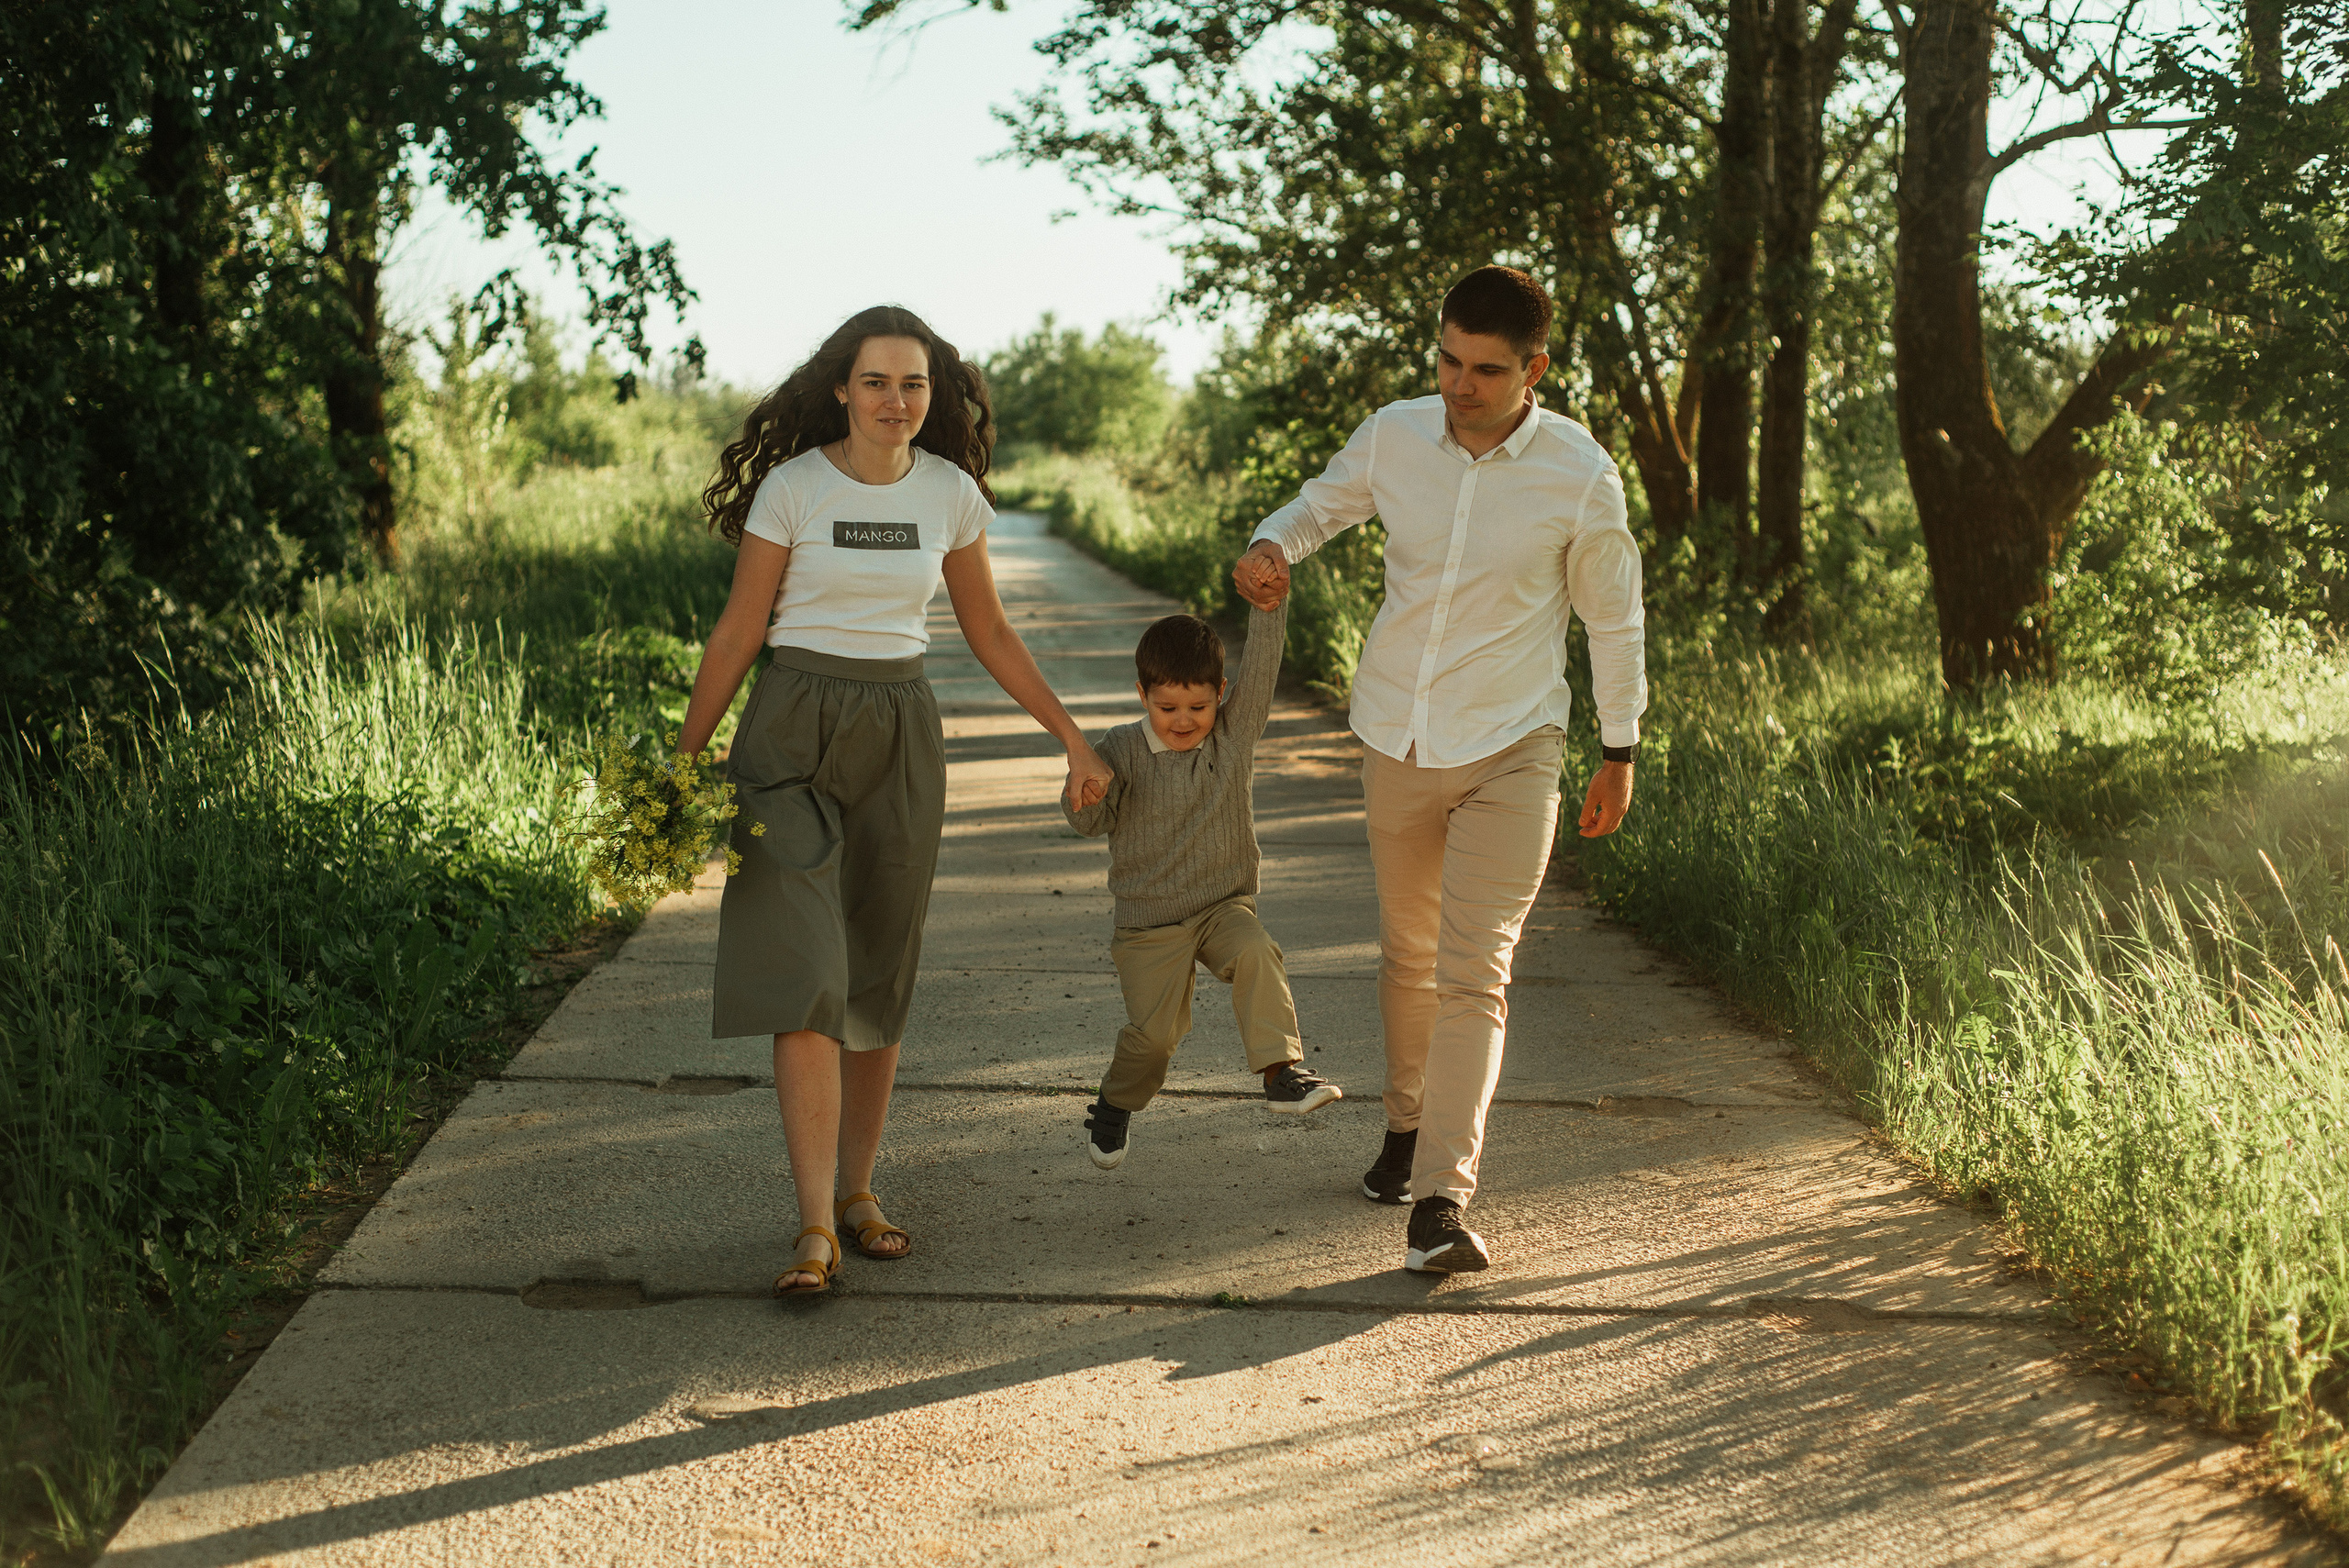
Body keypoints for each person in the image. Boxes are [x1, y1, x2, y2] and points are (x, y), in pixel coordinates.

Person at [677, 305, 1113, 1298]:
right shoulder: (793, 488)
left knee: (875, 974)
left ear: (935, 394)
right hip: (790, 730)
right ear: (840, 386)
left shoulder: (950, 494)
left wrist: (1072, 734)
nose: (894, 399)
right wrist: (683, 755)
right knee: (806, 976)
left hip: (901, 734)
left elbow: (991, 632)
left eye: (913, 384)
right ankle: (813, 1222)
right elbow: (741, 627)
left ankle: (860, 1190)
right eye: (876, 381)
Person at [1230, 265, 1646, 1275]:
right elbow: (1318, 508)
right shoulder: (1396, 432)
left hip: (1515, 744)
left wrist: (1619, 748)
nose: (1460, 386)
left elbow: (1612, 616)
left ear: (1534, 369)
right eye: (1449, 361)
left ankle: (1439, 1201)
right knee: (1408, 955)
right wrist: (1268, 545)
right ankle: (1404, 1127)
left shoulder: (1579, 473)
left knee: (1476, 971)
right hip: (1396, 735)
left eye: (1486, 370)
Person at [1063, 601, 1342, 1169]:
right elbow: (1092, 821)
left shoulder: (1233, 736)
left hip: (1222, 905)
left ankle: (1280, 1071)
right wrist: (1082, 794)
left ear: (1221, 692)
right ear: (1142, 694)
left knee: (1257, 951)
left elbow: (1263, 666)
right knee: (1155, 1039)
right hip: (1149, 923)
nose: (1185, 719)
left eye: (1200, 704)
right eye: (1167, 707)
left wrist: (1270, 604)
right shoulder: (1120, 749)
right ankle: (1115, 1103)